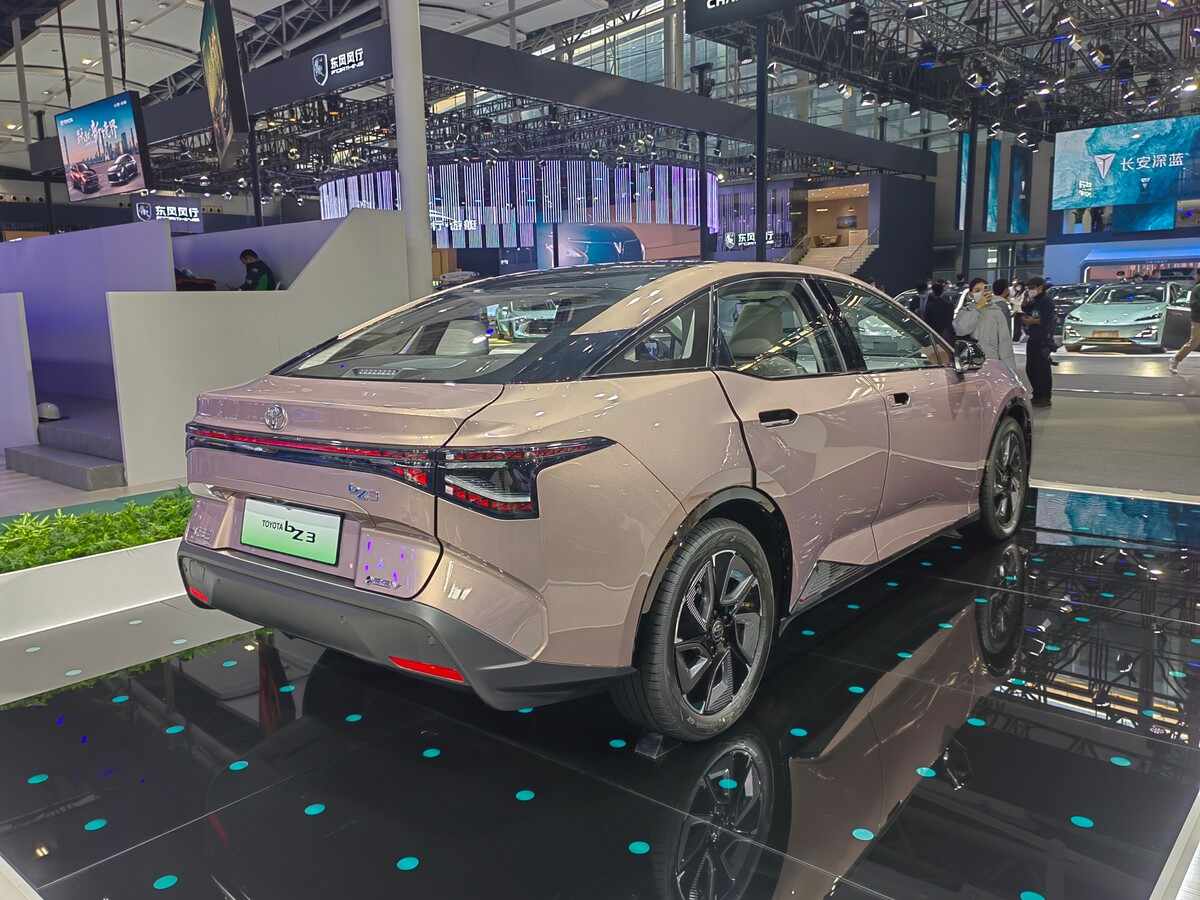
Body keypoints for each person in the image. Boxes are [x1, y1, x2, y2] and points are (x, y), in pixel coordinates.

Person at [953, 279, 1018, 378]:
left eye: (984, 289)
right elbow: (961, 330)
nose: (981, 293)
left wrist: (1010, 372)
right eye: (977, 290)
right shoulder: (965, 311)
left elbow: (1005, 344)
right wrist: (977, 308)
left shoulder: (996, 312)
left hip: (992, 363)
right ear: (971, 294)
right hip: (969, 363)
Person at [1022, 276, 1055, 407]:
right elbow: (1026, 309)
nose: (1030, 290)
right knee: (1031, 368)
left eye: (1032, 288)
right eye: (1028, 288)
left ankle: (1044, 397)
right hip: (1033, 337)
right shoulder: (1034, 300)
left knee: (1042, 369)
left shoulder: (1046, 301)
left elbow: (1046, 319)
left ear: (1040, 287)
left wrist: (1032, 321)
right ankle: (1037, 394)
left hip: (1043, 338)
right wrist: (1025, 300)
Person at [1169, 271, 1200, 374]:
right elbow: (1194, 304)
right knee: (1194, 342)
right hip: (1198, 320)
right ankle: (1175, 360)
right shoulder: (1197, 288)